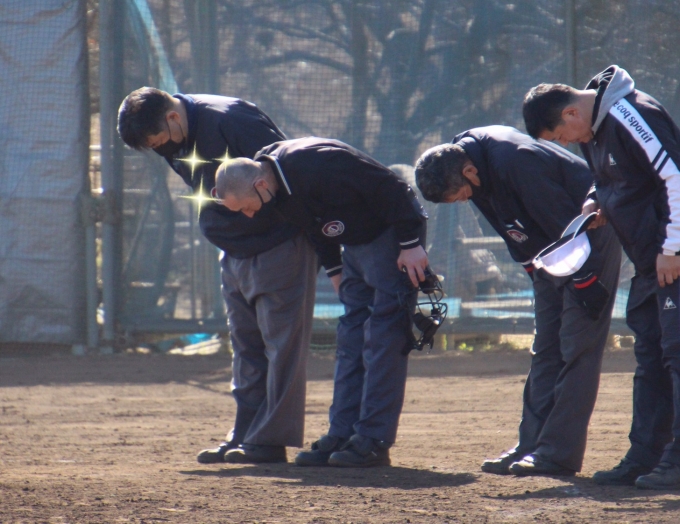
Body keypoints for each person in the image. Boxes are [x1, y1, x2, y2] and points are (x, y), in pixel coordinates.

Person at [117, 87, 318, 464]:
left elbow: (289, 174)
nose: (163, 150)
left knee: (282, 347)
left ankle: (269, 440)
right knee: (245, 346)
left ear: (172, 117)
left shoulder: (231, 119)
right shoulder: (172, 136)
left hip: (279, 243)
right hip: (234, 249)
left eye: (160, 141)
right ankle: (244, 433)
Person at [415, 125, 621, 477]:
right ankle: (532, 444)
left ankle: (557, 454)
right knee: (545, 348)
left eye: (462, 194)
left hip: (587, 238)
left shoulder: (518, 161)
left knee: (577, 348)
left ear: (469, 172)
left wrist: (585, 280)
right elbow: (508, 226)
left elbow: (566, 221)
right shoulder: (467, 163)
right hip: (549, 249)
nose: (464, 199)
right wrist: (533, 270)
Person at [213, 137, 429, 467]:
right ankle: (342, 433)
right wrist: (334, 268)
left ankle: (373, 439)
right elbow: (313, 224)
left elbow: (394, 188)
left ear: (260, 184)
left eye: (246, 206)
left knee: (383, 338)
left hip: (390, 237)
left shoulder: (317, 163)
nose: (249, 214)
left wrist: (411, 243)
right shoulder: (272, 185)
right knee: (350, 339)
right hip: (354, 246)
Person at [523, 65, 680, 489]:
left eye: (560, 136)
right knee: (651, 358)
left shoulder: (631, 114)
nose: (566, 144)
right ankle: (646, 457)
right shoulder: (595, 129)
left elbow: (674, 176)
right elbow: (615, 176)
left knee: (676, 355)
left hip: (670, 258)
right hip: (649, 263)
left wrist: (673, 248)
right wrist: (596, 201)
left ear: (571, 113)